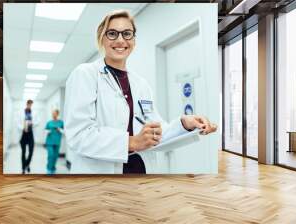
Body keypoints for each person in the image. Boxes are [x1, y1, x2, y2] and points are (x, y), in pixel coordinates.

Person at [64, 10, 217, 174]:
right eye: (112, 33)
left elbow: (154, 132)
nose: (120, 40)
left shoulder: (140, 84)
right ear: (102, 38)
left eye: (127, 34)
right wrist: (131, 142)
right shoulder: (86, 74)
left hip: (140, 171)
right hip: (100, 176)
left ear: (134, 40)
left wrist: (184, 124)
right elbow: (78, 135)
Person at [44, 109, 64, 174]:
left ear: (57, 114)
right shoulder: (49, 122)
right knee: (50, 155)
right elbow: (45, 130)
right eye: (52, 113)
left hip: (57, 141)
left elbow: (65, 131)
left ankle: (53, 167)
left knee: (55, 156)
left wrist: (60, 129)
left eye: (54, 113)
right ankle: (49, 169)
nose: (53, 115)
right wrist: (47, 131)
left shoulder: (61, 122)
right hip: (49, 141)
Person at [20, 99, 34, 174]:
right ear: (27, 104)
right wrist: (22, 127)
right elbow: (17, 122)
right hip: (23, 134)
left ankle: (27, 164)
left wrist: (33, 123)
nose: (30, 105)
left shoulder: (33, 112)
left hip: (30, 133)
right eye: (29, 104)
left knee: (31, 151)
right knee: (23, 152)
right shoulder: (22, 112)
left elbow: (38, 120)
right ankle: (23, 168)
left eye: (31, 104)